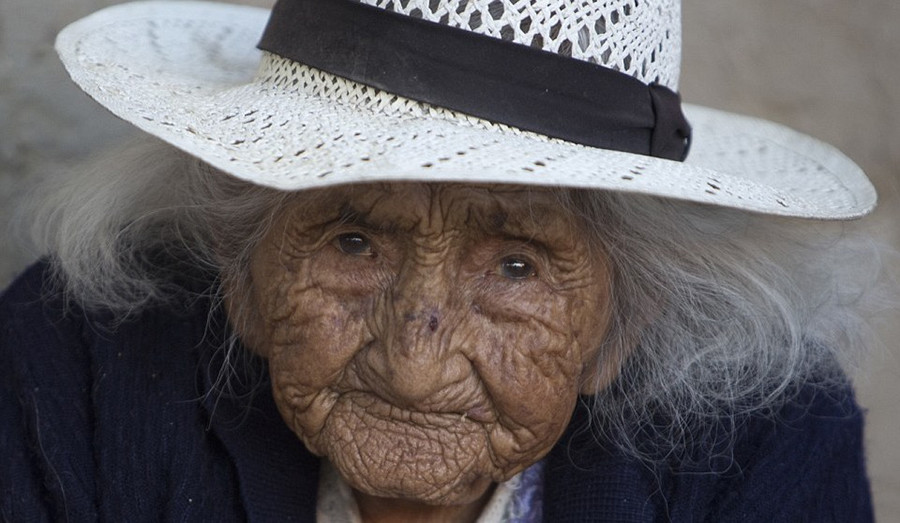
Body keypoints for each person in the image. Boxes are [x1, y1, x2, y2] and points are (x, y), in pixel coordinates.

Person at [1, 0, 887, 521]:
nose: (416, 367)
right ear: (242, 274)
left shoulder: (767, 447)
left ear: (623, 322)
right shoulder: (76, 367)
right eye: (353, 242)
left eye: (515, 267)